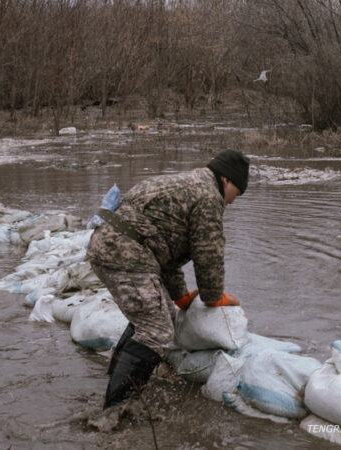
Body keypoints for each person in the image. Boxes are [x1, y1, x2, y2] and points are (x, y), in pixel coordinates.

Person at [86, 149, 249, 409]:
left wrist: (180, 296)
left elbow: (164, 248)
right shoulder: (209, 196)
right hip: (125, 254)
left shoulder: (186, 183)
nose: (232, 202)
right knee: (157, 330)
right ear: (227, 180)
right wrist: (214, 296)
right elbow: (208, 253)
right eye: (236, 194)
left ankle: (115, 381)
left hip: (113, 246)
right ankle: (116, 408)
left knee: (155, 317)